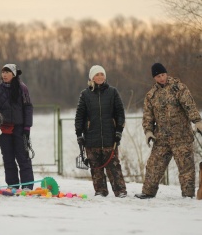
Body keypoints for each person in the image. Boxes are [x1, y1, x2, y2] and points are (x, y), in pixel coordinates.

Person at [135, 63, 202, 199]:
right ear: (154, 78)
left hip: (181, 136)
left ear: (166, 74)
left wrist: (197, 121)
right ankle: (148, 192)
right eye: (158, 76)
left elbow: (189, 106)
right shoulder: (151, 95)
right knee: (153, 166)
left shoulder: (179, 88)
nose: (162, 78)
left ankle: (187, 195)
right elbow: (148, 116)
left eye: (163, 75)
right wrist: (148, 132)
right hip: (161, 138)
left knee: (186, 168)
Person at [75, 65, 127, 198]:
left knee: (114, 167)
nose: (99, 77)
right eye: (96, 75)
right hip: (91, 139)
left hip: (110, 138)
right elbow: (79, 116)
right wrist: (79, 134)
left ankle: (120, 191)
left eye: (101, 74)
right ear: (91, 77)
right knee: (95, 168)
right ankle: (100, 191)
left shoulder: (113, 92)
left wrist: (119, 131)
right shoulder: (85, 94)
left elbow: (120, 113)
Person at [0, 64, 34, 190]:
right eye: (3, 72)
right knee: (8, 158)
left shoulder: (22, 88)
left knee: (23, 157)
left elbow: (28, 108)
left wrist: (27, 128)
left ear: (14, 74)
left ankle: (27, 185)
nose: (4, 75)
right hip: (4, 130)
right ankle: (13, 185)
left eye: (7, 72)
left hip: (20, 128)